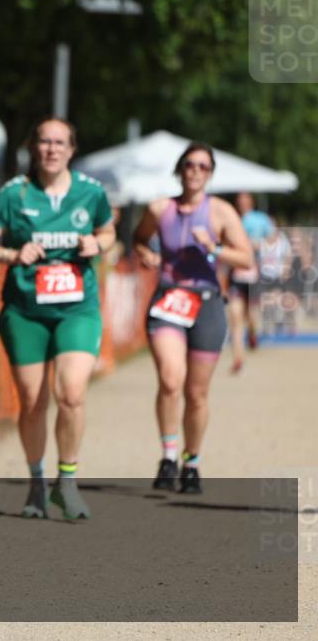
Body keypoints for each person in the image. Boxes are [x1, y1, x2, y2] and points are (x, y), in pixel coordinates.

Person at [0, 118, 115, 521]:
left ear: (72, 149)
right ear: (35, 148)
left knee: (71, 392)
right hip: (25, 312)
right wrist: (12, 255)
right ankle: (37, 482)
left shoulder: (90, 192)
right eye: (45, 142)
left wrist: (97, 243)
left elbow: (108, 232)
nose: (52, 149)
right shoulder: (14, 194)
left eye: (60, 143)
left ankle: (66, 483)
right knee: (33, 402)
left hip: (76, 310)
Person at [133, 142, 253, 494]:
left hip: (207, 304)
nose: (196, 171)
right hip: (169, 300)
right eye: (189, 164)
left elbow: (246, 259)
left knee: (196, 393)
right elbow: (139, 237)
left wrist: (214, 247)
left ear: (211, 173)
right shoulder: (160, 208)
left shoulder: (221, 212)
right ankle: (169, 457)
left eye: (203, 166)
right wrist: (144, 254)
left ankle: (192, 462)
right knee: (171, 381)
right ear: (180, 169)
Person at [226, 192, 273, 372]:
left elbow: (273, 240)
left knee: (251, 316)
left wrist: (258, 245)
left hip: (254, 275)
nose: (242, 204)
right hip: (236, 276)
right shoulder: (232, 219)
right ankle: (238, 358)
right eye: (239, 201)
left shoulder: (261, 219)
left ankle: (253, 334)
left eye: (245, 201)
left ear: (251, 202)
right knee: (235, 316)